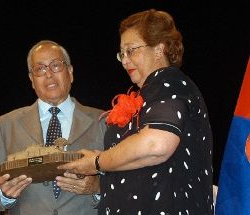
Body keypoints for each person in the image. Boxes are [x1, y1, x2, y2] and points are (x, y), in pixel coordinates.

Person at [59, 9, 214, 214]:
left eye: (131, 50)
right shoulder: (149, 95)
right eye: (121, 54)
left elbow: (155, 145)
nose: (124, 61)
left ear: (159, 49)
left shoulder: (169, 81)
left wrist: (97, 162)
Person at [0, 40, 106, 215]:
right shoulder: (5, 125)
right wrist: (3, 194)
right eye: (40, 69)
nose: (48, 74)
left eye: (55, 65)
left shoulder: (104, 121)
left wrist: (98, 188)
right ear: (31, 80)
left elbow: (126, 183)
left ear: (70, 72)